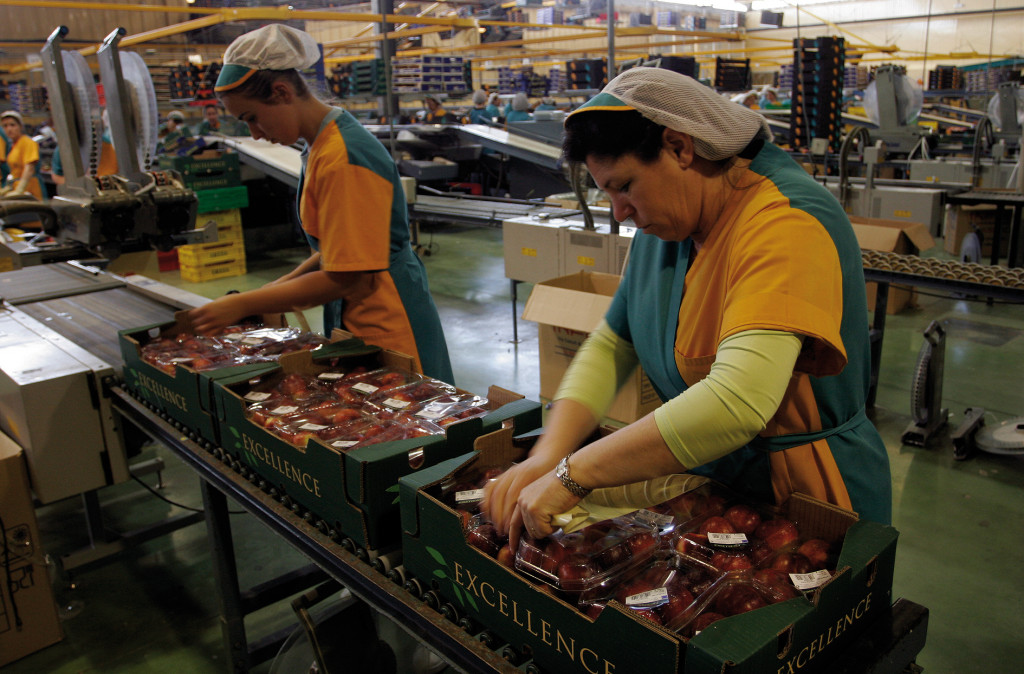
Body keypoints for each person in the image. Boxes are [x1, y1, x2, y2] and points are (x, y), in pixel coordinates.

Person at [482, 67, 891, 546]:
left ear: (679, 147)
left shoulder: (785, 221)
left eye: (625, 186)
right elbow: (612, 345)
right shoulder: (671, 226)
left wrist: (574, 474)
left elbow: (737, 403)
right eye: (606, 192)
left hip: (806, 497)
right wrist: (548, 454)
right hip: (713, 484)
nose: (619, 212)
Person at [189, 24, 453, 383]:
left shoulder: (342, 156)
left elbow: (345, 276)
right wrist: (281, 285)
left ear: (281, 92)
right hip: (360, 309)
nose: (254, 134)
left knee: (410, 405)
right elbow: (337, 247)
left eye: (252, 118)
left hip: (388, 315)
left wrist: (243, 303)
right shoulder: (319, 146)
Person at [0, 110, 45, 199]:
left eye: (12, 125)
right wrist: (8, 188)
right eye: (5, 126)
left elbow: (29, 168)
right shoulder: (13, 145)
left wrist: (20, 189)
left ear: (20, 126)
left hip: (30, 187)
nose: (9, 129)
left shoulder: (28, 142)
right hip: (17, 186)